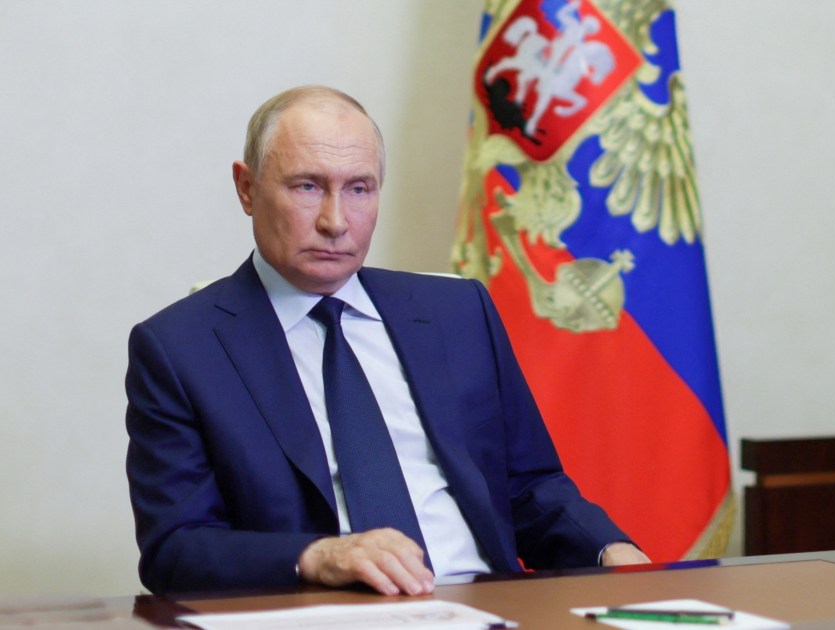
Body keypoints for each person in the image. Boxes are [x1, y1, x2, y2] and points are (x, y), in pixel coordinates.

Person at [125, 85, 649, 596]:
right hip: (328, 614)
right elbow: (176, 550)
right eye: (306, 186)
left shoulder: (458, 312)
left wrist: (613, 553)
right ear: (246, 187)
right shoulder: (180, 349)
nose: (335, 222)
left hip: (483, 607)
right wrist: (316, 556)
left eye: (359, 189)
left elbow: (529, 488)